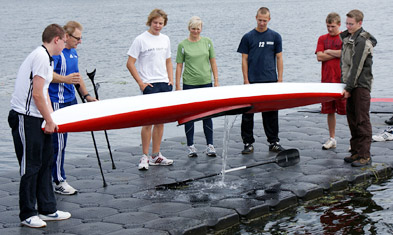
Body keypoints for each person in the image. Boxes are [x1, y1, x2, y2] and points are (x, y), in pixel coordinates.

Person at [8, 24, 71, 228]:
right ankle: (27, 213)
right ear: (56, 39)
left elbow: (44, 92)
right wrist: (49, 120)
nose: (65, 45)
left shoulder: (47, 58)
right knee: (31, 166)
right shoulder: (42, 56)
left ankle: (47, 209)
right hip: (25, 118)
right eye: (64, 41)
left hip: (38, 117)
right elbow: (36, 94)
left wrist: (51, 117)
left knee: (46, 162)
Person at [49, 21, 96, 195]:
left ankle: (55, 175)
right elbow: (47, 75)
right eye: (77, 38)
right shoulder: (56, 54)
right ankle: (59, 180)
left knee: (62, 143)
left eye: (81, 38)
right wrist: (65, 79)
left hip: (71, 99)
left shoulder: (73, 53)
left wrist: (87, 95)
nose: (80, 41)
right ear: (66, 37)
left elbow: (77, 77)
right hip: (56, 101)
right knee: (58, 143)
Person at [126, 9, 174, 170]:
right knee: (148, 122)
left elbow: (168, 61)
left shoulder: (165, 39)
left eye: (161, 23)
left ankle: (156, 155)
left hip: (164, 83)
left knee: (160, 122)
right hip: (149, 84)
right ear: (150, 22)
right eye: (155, 23)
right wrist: (141, 83)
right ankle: (144, 156)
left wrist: (171, 80)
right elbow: (130, 63)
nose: (158, 26)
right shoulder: (141, 39)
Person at [237, 7, 285, 154]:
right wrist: (246, 79)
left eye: (264, 20)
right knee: (248, 113)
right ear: (256, 18)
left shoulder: (275, 36)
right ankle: (248, 143)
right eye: (260, 20)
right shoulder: (248, 37)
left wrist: (280, 79)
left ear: (269, 20)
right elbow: (244, 59)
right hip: (252, 81)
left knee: (271, 113)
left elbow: (279, 58)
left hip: (270, 80)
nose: (262, 23)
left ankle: (273, 142)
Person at [175, 16, 219, 158]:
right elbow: (179, 66)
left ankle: (210, 145)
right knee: (189, 116)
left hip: (206, 82)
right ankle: (190, 146)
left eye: (198, 28)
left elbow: (213, 62)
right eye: (193, 28)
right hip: (189, 84)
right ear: (189, 29)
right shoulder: (183, 45)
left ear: (201, 28)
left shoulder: (208, 43)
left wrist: (216, 81)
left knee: (207, 114)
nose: (195, 31)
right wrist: (177, 85)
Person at [341, 9, 377, 167]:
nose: (348, 26)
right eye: (347, 23)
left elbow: (357, 67)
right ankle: (355, 151)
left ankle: (365, 155)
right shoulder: (349, 37)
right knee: (352, 119)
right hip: (351, 83)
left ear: (360, 23)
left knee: (362, 120)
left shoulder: (361, 41)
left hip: (361, 85)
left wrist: (348, 88)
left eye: (351, 24)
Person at [315, 13, 346, 150]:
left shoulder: (345, 37)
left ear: (339, 25)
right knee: (329, 111)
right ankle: (332, 138)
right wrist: (335, 52)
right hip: (327, 81)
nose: (330, 29)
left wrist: (329, 51)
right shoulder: (322, 38)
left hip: (342, 80)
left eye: (332, 26)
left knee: (348, 111)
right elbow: (319, 57)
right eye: (328, 26)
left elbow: (345, 53)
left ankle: (353, 140)